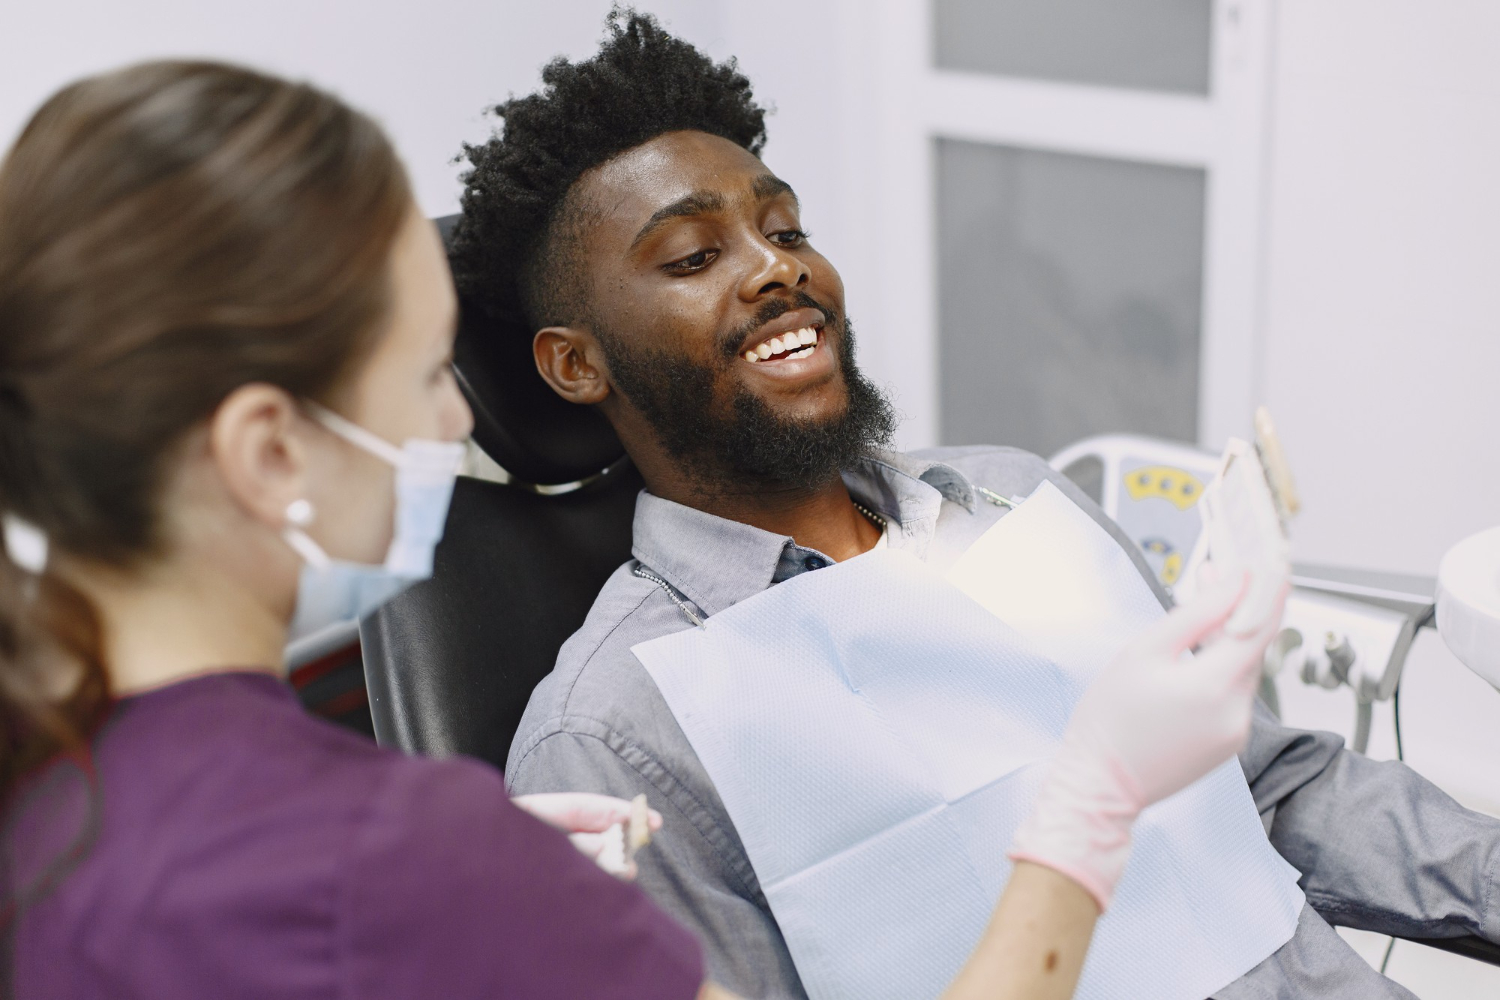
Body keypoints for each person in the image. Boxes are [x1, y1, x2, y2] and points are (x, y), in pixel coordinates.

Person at [0, 58, 1283, 1000]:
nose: (454, 418)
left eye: (784, 228)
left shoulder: (45, 794)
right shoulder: (504, 797)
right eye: (417, 374)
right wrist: (1089, 804)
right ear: (268, 449)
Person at [468, 12, 1500, 1000]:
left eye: (785, 228)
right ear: (574, 363)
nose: (777, 267)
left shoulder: (1017, 498)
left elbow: (1271, 791)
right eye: (695, 257)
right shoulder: (611, 736)